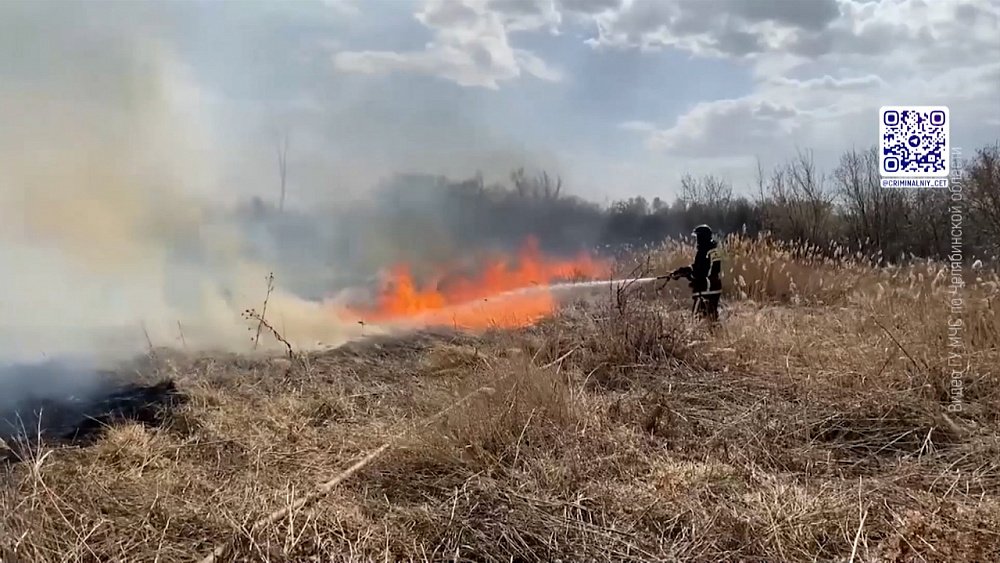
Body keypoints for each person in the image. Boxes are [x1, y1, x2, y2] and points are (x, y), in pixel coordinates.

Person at [669, 224, 722, 321]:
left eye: (698, 236)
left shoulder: (704, 251)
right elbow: (698, 267)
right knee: (711, 317)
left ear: (702, 237)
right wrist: (682, 271)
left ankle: (708, 333)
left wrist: (687, 275)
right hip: (714, 287)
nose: (697, 239)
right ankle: (716, 333)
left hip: (706, 288)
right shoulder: (712, 249)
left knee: (697, 318)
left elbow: (700, 273)